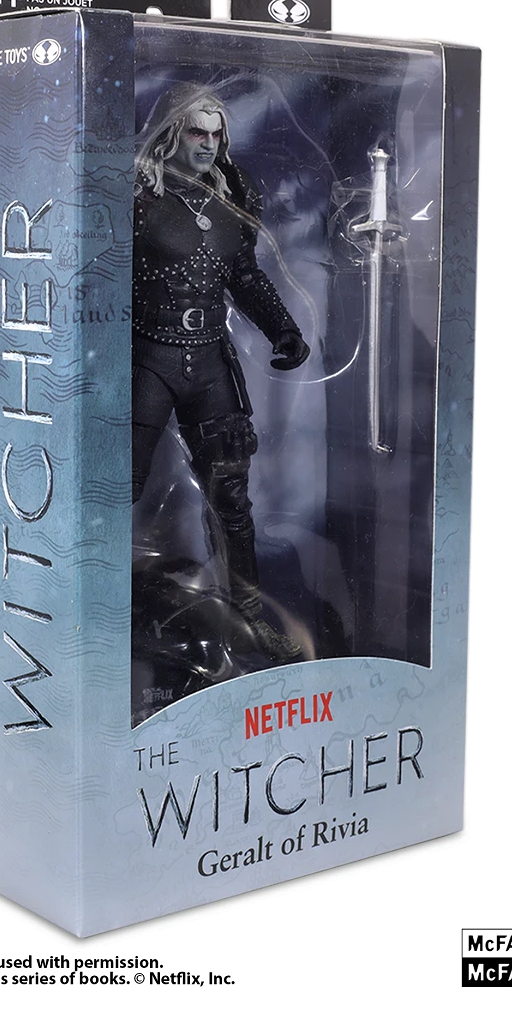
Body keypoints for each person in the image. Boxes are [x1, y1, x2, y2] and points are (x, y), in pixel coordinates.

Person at [132, 84, 310, 661]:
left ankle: (250, 620)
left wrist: (282, 329)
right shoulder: (137, 195)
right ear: (172, 133)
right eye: (196, 131)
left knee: (231, 496)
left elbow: (245, 274)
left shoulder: (233, 194)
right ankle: (94, 610)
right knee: (118, 487)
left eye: (216, 134)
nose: (207, 144)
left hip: (210, 359)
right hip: (148, 358)